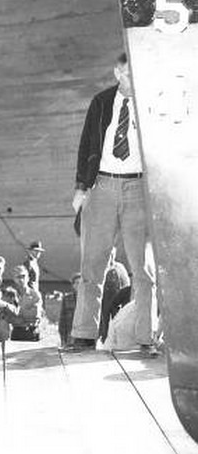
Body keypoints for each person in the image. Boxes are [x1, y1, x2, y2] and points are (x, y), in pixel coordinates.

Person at [69, 52, 156, 355]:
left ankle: (146, 338)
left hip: (138, 187)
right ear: (117, 73)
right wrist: (81, 188)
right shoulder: (101, 102)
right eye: (129, 73)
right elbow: (85, 146)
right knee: (92, 265)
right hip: (102, 186)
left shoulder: (149, 102)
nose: (134, 78)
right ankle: (83, 335)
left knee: (143, 269)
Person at [98, 249, 130, 343]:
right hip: (102, 301)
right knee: (102, 323)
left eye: (111, 254)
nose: (110, 257)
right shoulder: (99, 267)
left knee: (115, 323)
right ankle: (102, 341)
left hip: (116, 302)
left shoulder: (119, 267)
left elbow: (126, 284)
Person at [9, 266, 43, 341]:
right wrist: (25, 311)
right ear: (14, 279)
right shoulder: (10, 295)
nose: (21, 279)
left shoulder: (34, 295)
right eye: (18, 277)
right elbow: (8, 316)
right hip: (16, 332)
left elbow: (34, 314)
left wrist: (16, 312)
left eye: (23, 276)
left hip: (31, 332)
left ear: (28, 278)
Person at [58, 274, 82, 347]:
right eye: (77, 283)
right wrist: (63, 339)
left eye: (81, 283)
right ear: (73, 285)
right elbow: (62, 319)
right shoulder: (67, 299)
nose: (79, 285)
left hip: (84, 335)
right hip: (70, 335)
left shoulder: (89, 300)